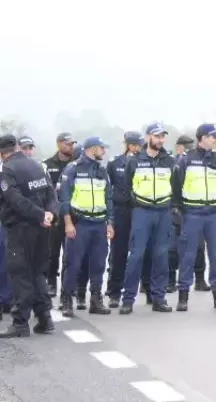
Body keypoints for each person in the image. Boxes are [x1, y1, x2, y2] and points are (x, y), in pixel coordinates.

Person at [0, 134, 58, 338]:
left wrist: (40, 215)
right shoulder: (36, 166)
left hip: (21, 229)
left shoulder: (7, 170)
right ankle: (45, 320)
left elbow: (15, 201)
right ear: (16, 147)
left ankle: (20, 323)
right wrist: (49, 214)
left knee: (20, 275)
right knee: (37, 273)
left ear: (1, 153)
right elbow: (51, 193)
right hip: (42, 229)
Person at [119, 123, 175, 314]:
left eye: (162, 136)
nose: (160, 140)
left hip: (163, 212)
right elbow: (126, 187)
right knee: (136, 256)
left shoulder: (169, 161)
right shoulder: (134, 161)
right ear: (148, 137)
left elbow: (176, 185)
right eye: (157, 136)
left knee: (161, 256)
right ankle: (128, 299)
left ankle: (158, 298)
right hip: (142, 212)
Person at [173, 124, 216, 311]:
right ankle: (183, 297)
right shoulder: (186, 159)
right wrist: (183, 209)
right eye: (213, 137)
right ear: (203, 138)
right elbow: (177, 186)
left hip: (213, 214)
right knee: (188, 255)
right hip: (193, 213)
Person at [58, 136, 114, 316]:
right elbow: (64, 199)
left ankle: (96, 301)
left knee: (98, 264)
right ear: (91, 149)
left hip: (99, 224)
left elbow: (109, 199)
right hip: (79, 224)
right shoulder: (73, 169)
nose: (104, 152)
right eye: (101, 148)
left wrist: (110, 223)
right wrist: (68, 223)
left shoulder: (102, 171)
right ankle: (67, 300)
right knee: (73, 263)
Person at [105, 131, 144, 308]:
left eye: (139, 144)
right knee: (118, 252)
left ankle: (148, 288)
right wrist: (110, 216)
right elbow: (108, 189)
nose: (137, 148)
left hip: (140, 209)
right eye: (134, 144)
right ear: (127, 144)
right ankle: (114, 292)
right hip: (121, 211)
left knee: (142, 251)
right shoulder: (114, 163)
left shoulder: (145, 161)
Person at [168, 134, 209, 294]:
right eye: (186, 147)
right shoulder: (171, 163)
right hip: (175, 210)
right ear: (179, 148)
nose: (190, 151)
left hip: (194, 209)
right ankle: (171, 281)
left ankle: (199, 279)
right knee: (173, 248)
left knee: (199, 246)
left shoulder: (195, 163)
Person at [43, 132, 77, 297]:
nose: (71, 147)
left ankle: (68, 285)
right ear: (59, 144)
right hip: (56, 215)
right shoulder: (47, 165)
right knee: (52, 252)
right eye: (67, 144)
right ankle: (51, 283)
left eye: (72, 144)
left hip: (73, 214)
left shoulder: (77, 164)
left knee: (71, 253)